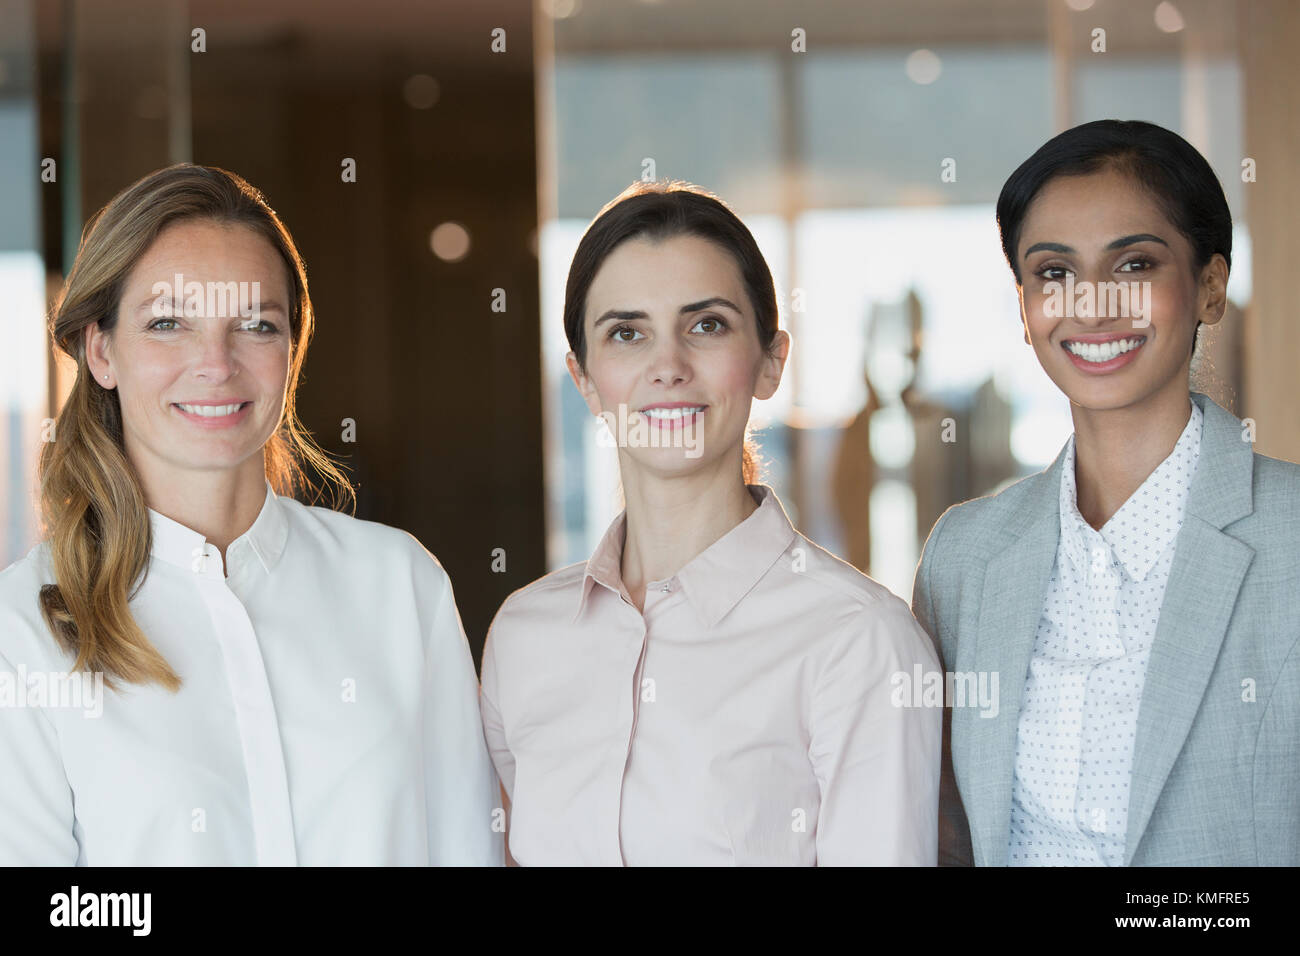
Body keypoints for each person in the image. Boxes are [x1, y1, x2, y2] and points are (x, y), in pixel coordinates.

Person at [0, 164, 501, 865]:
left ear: (291, 351)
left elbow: (466, 850)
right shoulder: (21, 626)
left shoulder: (400, 583)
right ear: (102, 350)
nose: (216, 363)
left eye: (255, 325)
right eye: (169, 322)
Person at [479, 181, 940, 865]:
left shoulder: (858, 642)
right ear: (583, 377)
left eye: (707, 325)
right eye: (627, 333)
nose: (667, 367)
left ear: (771, 360)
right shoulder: (524, 634)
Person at [913, 119, 1300, 866]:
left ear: (1210, 287)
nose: (1091, 306)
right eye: (1054, 272)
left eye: (1133, 265)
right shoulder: (962, 559)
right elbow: (948, 831)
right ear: (1025, 308)